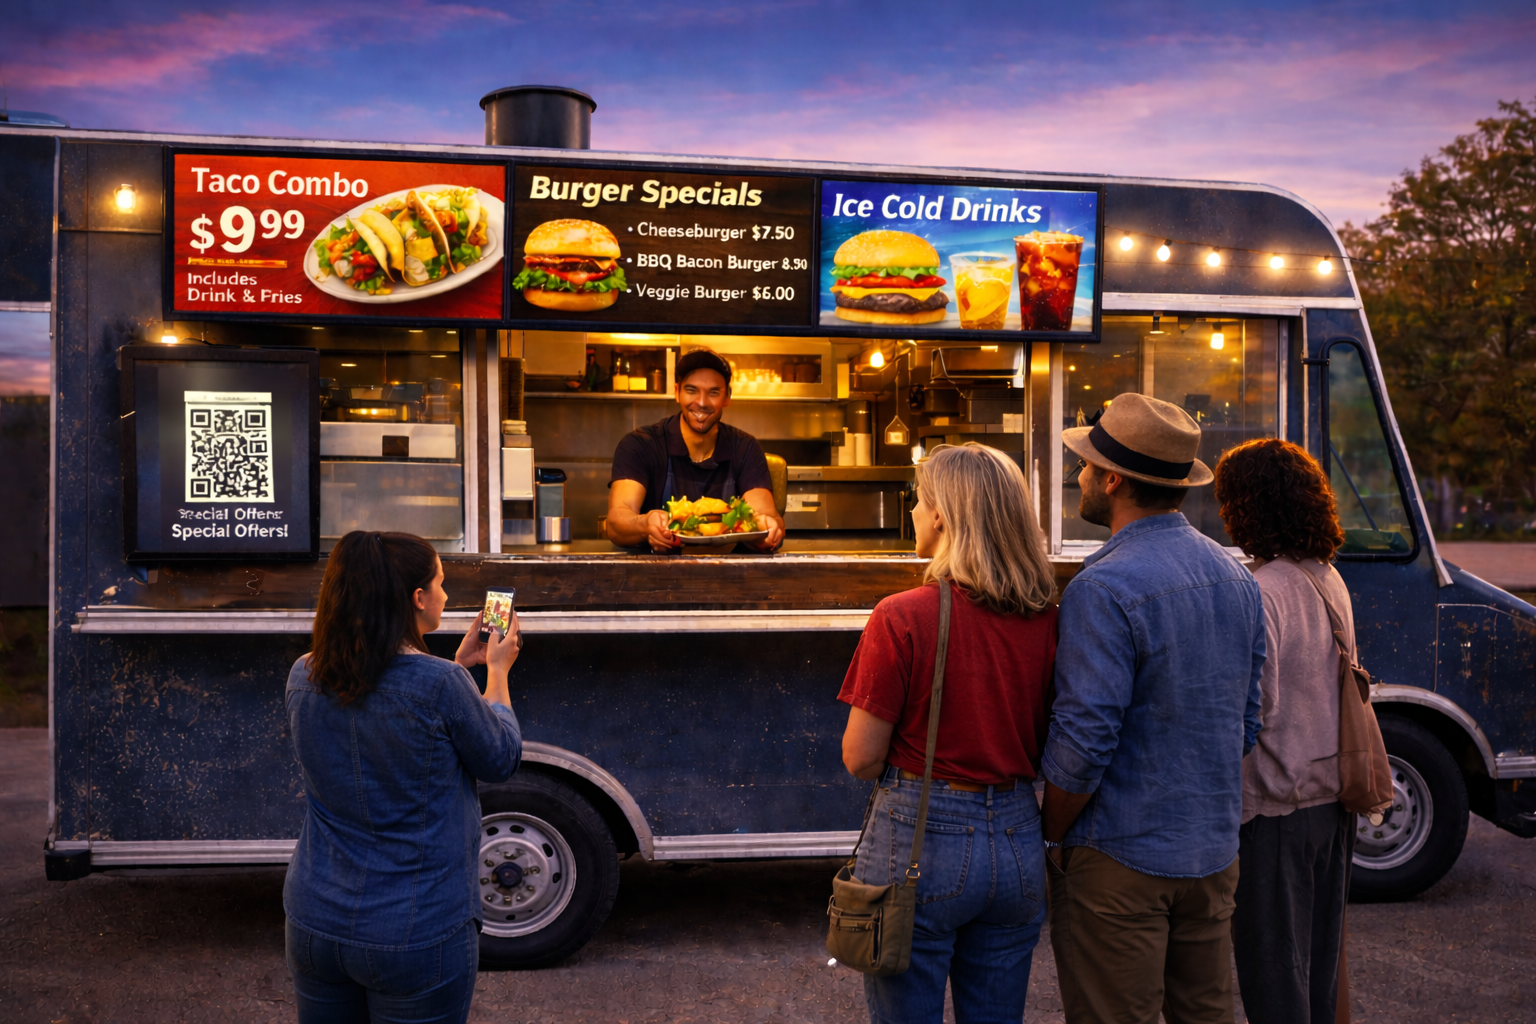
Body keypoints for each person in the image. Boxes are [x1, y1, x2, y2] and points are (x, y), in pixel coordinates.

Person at [1040, 393, 1265, 1024]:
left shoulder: (1102, 587)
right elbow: (1247, 722)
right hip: (1212, 852)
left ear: (1112, 480)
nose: (1078, 475)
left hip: (1119, 859)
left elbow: (1084, 743)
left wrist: (1053, 832)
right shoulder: (1237, 577)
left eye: (1085, 466)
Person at [838, 443, 1058, 1024]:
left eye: (918, 501)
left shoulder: (902, 615)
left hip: (921, 840)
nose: (912, 512)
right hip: (1017, 837)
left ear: (942, 516)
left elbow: (860, 757)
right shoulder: (1048, 617)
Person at [283, 530, 523, 1023]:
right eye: (440, 582)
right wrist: (495, 673)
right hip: (415, 932)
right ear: (417, 598)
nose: (446, 594)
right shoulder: (440, 685)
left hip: (314, 922)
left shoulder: (303, 674)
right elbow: (499, 759)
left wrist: (457, 665)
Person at [1215, 439, 1355, 1024]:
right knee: (1317, 974)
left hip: (1275, 812)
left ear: (1249, 507)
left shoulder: (1262, 591)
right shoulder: (1327, 578)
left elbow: (1253, 711)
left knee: (1274, 981)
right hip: (1332, 804)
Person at [606, 347, 785, 552]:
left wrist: (768, 529)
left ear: (727, 397)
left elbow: (765, 515)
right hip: (654, 575)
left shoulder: (745, 448)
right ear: (676, 392)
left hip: (730, 575)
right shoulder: (641, 445)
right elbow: (617, 520)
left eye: (714, 392)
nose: (701, 402)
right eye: (691, 390)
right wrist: (645, 524)